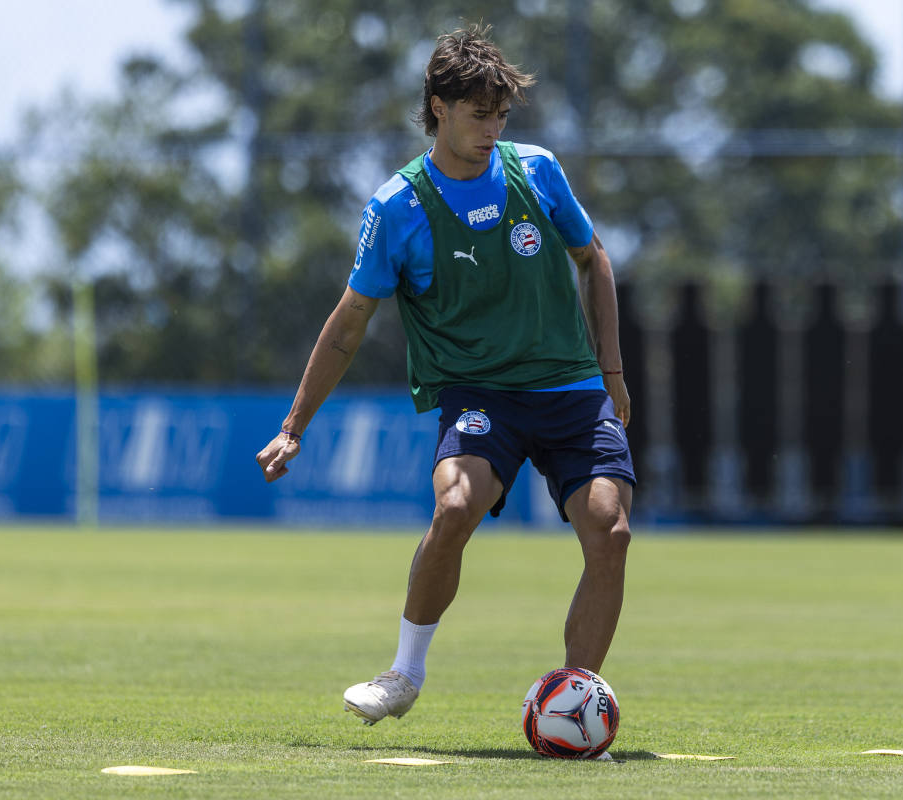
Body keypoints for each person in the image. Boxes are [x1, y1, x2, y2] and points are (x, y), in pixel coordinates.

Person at [255, 23, 635, 730]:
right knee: (455, 507)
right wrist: (293, 428)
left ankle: (577, 704)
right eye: (477, 113)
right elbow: (347, 325)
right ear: (437, 106)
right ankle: (403, 672)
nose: (492, 128)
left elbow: (596, 260)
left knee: (610, 533)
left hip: (571, 389)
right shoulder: (397, 209)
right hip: (478, 393)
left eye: (501, 114)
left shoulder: (538, 172)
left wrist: (611, 371)